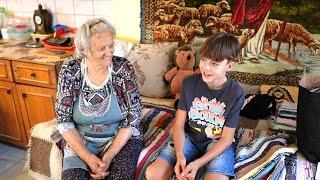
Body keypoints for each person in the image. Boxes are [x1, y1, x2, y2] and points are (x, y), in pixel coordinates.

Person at [146, 32, 245, 180]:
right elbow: (178, 124)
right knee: (153, 173)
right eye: (204, 60)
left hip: (216, 143)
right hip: (190, 138)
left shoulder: (235, 93)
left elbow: (226, 138)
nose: (206, 67)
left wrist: (198, 163)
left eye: (215, 64)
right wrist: (180, 156)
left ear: (229, 66)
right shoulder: (189, 84)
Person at [55, 18, 143, 180]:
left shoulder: (123, 68)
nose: (109, 52)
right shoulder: (70, 71)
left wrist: (109, 155)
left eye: (111, 45)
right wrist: (88, 157)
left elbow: (134, 117)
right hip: (82, 139)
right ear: (85, 50)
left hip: (119, 138)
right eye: (102, 48)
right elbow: (63, 121)